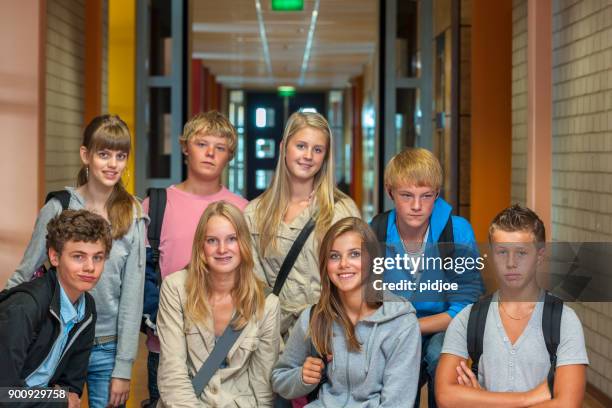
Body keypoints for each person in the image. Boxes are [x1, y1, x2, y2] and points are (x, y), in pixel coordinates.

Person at [6, 115, 147, 408]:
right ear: (86, 155)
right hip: (55, 341)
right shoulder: (58, 207)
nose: (112, 164)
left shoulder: (132, 213)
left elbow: (133, 295)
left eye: (120, 156)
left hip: (106, 346)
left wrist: (123, 366)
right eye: (104, 154)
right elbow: (25, 273)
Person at [141, 110, 249, 407]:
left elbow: (248, 275)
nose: (210, 153)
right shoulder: (157, 204)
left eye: (220, 147)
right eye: (202, 144)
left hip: (225, 348)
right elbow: (142, 272)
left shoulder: (242, 210)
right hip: (165, 347)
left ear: (230, 156)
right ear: (185, 146)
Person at [436, 204, 589, 407]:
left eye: (522, 253)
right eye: (502, 252)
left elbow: (567, 404)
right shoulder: (469, 318)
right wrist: (528, 398)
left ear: (540, 256)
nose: (511, 263)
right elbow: (446, 397)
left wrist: (481, 402)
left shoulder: (563, 320)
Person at [369, 147, 484, 407]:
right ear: (390, 193)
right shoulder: (375, 231)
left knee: (438, 355)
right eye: (406, 195)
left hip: (443, 327)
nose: (417, 206)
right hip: (392, 328)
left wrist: (411, 328)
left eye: (426, 196)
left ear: (437, 195)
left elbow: (465, 306)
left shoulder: (457, 232)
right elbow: (367, 297)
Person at [272, 217, 422, 407]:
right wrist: (301, 377)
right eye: (334, 256)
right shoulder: (314, 318)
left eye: (354, 254)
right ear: (325, 265)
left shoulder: (401, 323)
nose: (344, 264)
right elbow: (279, 379)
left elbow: (397, 403)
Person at [244, 111, 361, 341]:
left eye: (317, 150)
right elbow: (252, 287)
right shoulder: (254, 214)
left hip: (328, 336)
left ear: (325, 157)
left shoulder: (341, 211)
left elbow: (359, 281)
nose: (308, 156)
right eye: (301, 146)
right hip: (272, 340)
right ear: (283, 147)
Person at [156, 201, 280, 407]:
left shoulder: (267, 304)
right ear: (201, 247)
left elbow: (262, 386)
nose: (222, 249)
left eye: (232, 239)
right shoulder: (175, 288)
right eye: (212, 240)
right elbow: (172, 373)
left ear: (244, 244)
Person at [0, 210, 112, 408]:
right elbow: (4, 394)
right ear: (54, 256)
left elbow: (73, 384)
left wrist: (61, 397)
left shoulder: (87, 309)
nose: (90, 267)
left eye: (98, 257)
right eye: (78, 256)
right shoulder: (24, 307)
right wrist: (56, 399)